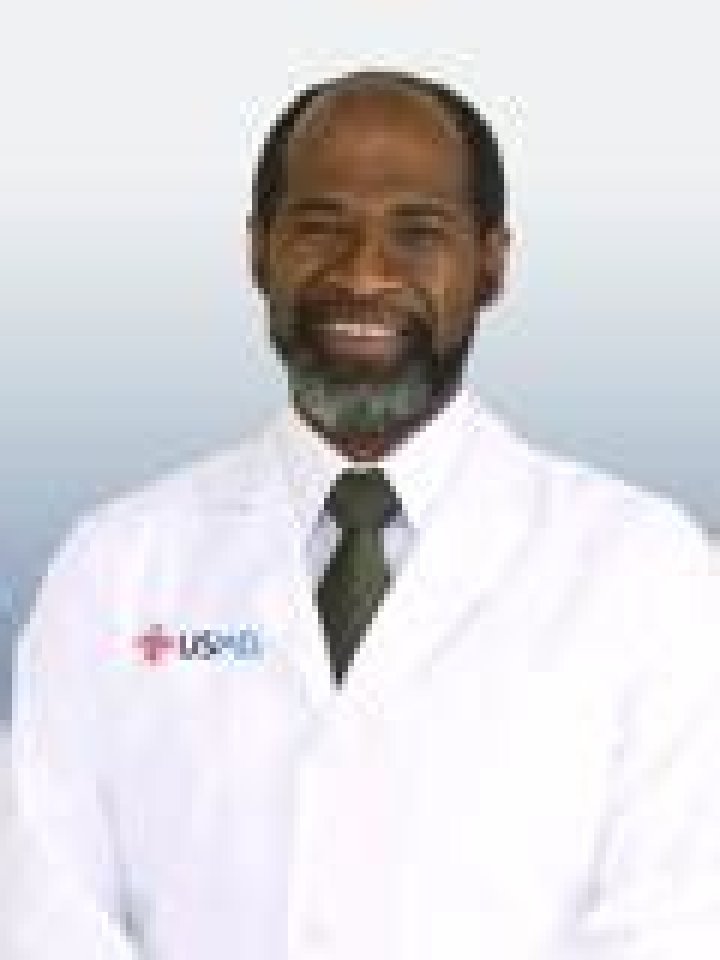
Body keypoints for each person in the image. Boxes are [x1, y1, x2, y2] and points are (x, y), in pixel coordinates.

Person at [11, 69, 720, 960]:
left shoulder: (646, 568)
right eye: (320, 226)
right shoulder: (116, 566)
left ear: (493, 263)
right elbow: (44, 905)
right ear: (257, 251)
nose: (364, 274)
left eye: (418, 233)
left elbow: (675, 917)